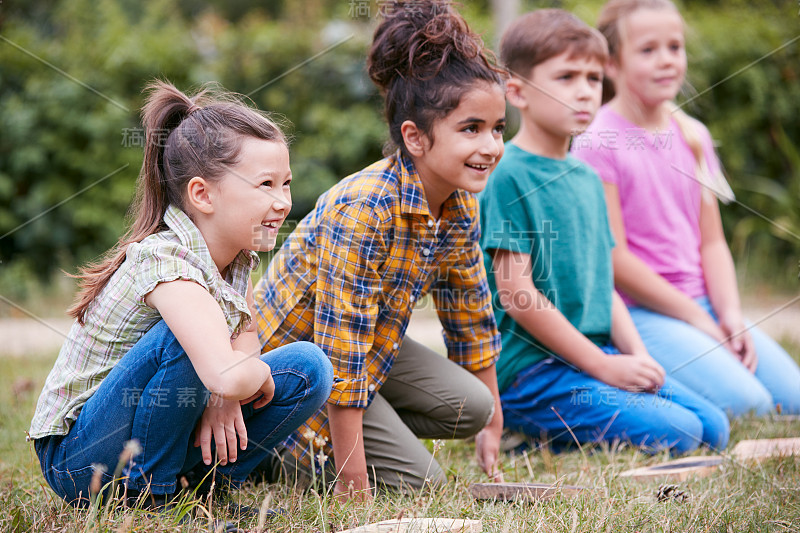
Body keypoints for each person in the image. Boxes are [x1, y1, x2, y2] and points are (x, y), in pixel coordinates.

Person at [28, 80, 333, 508]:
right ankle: (155, 495)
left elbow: (245, 338)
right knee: (187, 337)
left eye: (286, 183)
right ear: (202, 194)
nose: (283, 201)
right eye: (265, 184)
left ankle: (208, 486)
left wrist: (224, 394)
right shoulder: (166, 262)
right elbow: (227, 372)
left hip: (156, 419)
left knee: (309, 367)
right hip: (82, 458)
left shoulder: (237, 256)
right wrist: (239, 381)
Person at [252, 0, 507, 499]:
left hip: (369, 357)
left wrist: (493, 427)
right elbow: (339, 350)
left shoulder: (458, 206)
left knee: (474, 406)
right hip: (290, 368)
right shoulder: (367, 208)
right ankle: (276, 447)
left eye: (497, 128)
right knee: (420, 484)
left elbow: (470, 315)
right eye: (471, 129)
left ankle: (367, 437)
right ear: (414, 137)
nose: (492, 145)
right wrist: (353, 480)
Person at [480, 9, 729, 455]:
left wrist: (637, 356)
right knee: (682, 433)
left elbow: (604, 285)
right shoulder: (508, 176)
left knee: (714, 427)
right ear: (516, 91)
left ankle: (573, 426)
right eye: (566, 77)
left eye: (594, 79)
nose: (584, 92)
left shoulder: (586, 177)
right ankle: (538, 439)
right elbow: (518, 295)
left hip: (592, 360)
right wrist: (602, 366)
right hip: (533, 375)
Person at [571, 0, 800, 417]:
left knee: (794, 399)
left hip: (704, 304)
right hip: (643, 314)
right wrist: (697, 318)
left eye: (674, 47)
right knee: (754, 406)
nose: (666, 61)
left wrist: (729, 315)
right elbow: (614, 259)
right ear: (612, 64)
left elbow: (712, 242)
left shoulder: (693, 134)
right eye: (647, 50)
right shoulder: (595, 143)